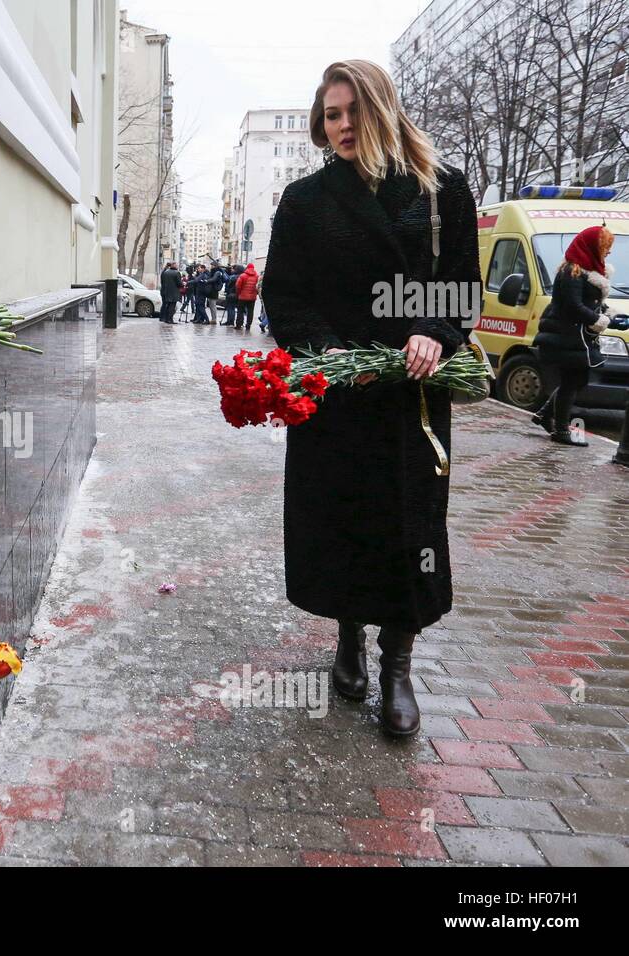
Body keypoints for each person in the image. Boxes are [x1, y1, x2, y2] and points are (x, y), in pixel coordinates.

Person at [260, 59, 479, 738]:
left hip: (410, 398)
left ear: (382, 108)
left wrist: (433, 332)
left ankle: (397, 668)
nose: (343, 125)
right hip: (337, 392)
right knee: (343, 520)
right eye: (331, 114)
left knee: (411, 527)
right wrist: (322, 347)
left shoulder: (441, 191)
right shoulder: (304, 199)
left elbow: (462, 287)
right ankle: (349, 637)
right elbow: (284, 294)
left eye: (353, 110)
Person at [531, 227, 616, 446]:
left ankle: (543, 415)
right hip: (566, 337)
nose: (608, 252)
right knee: (572, 381)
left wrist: (607, 312)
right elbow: (572, 305)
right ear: (593, 247)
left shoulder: (585, 271)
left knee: (577, 380)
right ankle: (561, 430)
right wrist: (596, 320)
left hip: (574, 338)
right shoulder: (572, 271)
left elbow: (588, 301)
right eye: (605, 247)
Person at [235, 262, 259, 330]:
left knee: (240, 311)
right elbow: (258, 286)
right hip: (252, 298)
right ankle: (248, 325)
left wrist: (238, 293)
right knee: (250, 311)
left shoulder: (243, 276)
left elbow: (238, 286)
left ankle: (239, 325)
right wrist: (255, 293)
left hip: (242, 297)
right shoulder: (257, 276)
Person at [206, 262, 227, 326]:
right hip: (211, 290)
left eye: (212, 265)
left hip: (214, 290)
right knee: (211, 305)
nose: (211, 266)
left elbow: (214, 279)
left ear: (214, 266)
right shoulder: (213, 272)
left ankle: (214, 319)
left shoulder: (217, 272)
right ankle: (213, 319)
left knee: (213, 305)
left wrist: (207, 281)